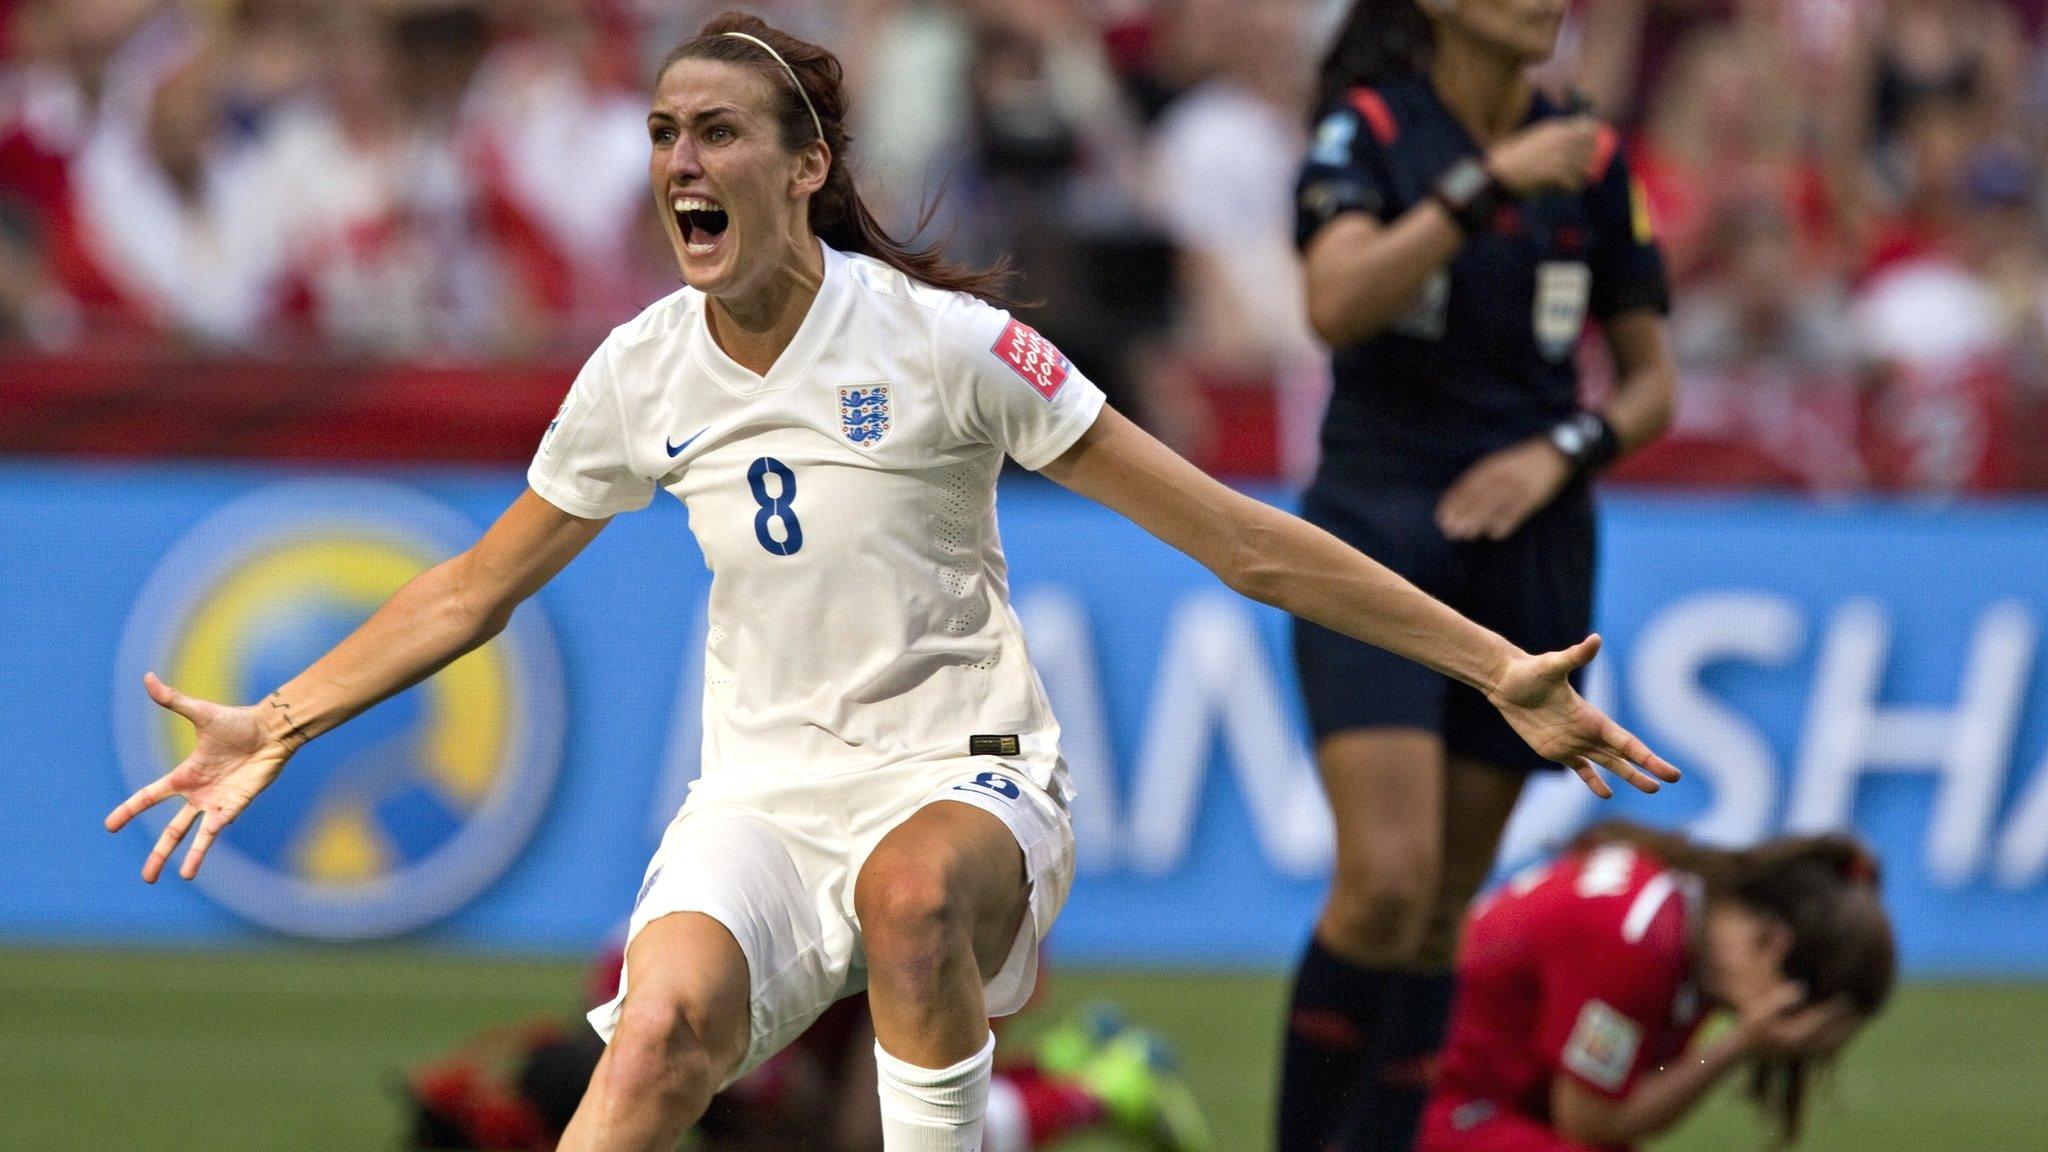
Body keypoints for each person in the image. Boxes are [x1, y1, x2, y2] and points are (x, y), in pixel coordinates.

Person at [103, 12, 1677, 1152]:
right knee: (654, 1038)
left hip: (970, 779)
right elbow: (472, 587)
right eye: (661, 134)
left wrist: (1488, 663)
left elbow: (1239, 536)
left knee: (911, 900)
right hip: (763, 799)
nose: (679, 163)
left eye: (717, 132)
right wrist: (284, 719)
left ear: (805, 167)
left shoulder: (945, 347)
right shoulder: (641, 370)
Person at [1280, 1, 1680, 1150]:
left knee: (1442, 903)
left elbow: (1651, 384)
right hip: (1377, 525)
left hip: (1528, 538)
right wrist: (1486, 182)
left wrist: (1558, 452)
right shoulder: (1364, 131)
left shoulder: (1593, 156)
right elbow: (1334, 301)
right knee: (1385, 882)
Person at [404, 941, 1211, 1152]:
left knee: (873, 1137)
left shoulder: (686, 1026)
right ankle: (1061, 1064)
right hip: (854, 975)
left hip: (933, 943)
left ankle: (1103, 1083)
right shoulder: (631, 987)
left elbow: (800, 1113)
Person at [1420, 823, 1895, 1151]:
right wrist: (1737, 1045)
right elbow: (1590, 1124)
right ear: (1774, 943)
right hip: (1423, 1101)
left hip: (1453, 1095)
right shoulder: (1636, 944)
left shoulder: (1680, 920)